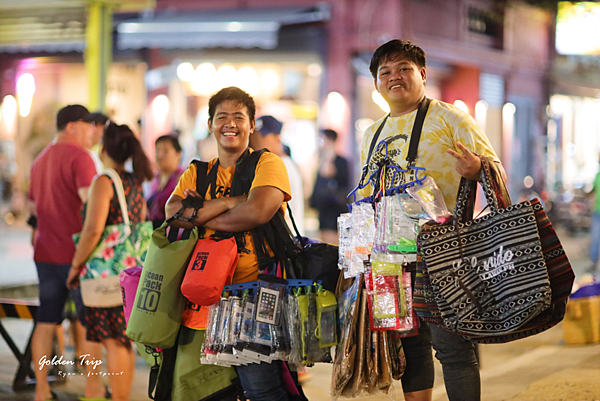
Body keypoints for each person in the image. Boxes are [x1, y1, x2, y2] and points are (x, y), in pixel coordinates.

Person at [360, 39, 505, 401]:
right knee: (409, 348)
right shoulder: (372, 133)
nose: (395, 78)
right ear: (377, 83)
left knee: (453, 347)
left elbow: (496, 169)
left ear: (423, 74)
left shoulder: (451, 118)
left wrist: (477, 167)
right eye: (385, 72)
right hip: (390, 256)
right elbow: (364, 194)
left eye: (404, 69)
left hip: (445, 251)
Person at [166, 87, 303, 401]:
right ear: (211, 125)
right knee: (213, 391)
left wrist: (200, 214)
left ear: (252, 125)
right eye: (222, 117)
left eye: (238, 117)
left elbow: (257, 211)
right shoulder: (197, 172)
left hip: (256, 295)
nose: (230, 124)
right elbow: (172, 214)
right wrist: (233, 202)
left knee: (263, 389)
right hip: (204, 298)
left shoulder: (267, 164)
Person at [67, 122, 153, 401]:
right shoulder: (134, 181)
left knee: (113, 342)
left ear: (104, 147)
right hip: (129, 273)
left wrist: (75, 265)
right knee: (121, 341)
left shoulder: (105, 181)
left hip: (104, 276)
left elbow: (93, 230)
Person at [28, 105, 105, 401]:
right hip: (76, 257)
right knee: (89, 326)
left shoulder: (40, 159)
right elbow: (90, 206)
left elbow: (33, 208)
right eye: (89, 126)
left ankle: (41, 390)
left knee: (46, 321)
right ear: (72, 126)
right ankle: (92, 388)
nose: (92, 132)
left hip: (45, 253)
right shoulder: (80, 157)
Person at [251, 115, 306, 235]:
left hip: (286, 240)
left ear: (277, 138)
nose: (256, 141)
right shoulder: (281, 162)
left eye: (261, 136)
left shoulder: (279, 165)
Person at [310, 129, 350, 245]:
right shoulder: (321, 159)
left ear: (330, 140)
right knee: (322, 240)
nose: (320, 143)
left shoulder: (339, 161)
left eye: (322, 140)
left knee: (331, 243)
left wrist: (328, 156)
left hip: (334, 208)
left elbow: (328, 173)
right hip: (323, 207)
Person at [146, 134, 185, 229]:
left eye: (165, 151)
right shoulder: (156, 179)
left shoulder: (183, 178)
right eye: (157, 150)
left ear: (178, 154)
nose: (160, 155)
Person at [589, 156, 600, 278]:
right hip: (597, 211)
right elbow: (593, 190)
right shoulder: (597, 175)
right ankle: (593, 261)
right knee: (595, 237)